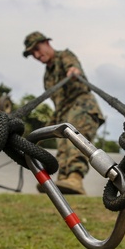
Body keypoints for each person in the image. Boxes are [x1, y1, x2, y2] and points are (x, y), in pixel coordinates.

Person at [23, 32, 105, 195]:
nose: (37, 55)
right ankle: (64, 182)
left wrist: (73, 71)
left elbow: (73, 66)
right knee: (62, 149)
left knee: (75, 144)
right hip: (64, 114)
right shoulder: (47, 76)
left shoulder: (64, 56)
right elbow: (59, 105)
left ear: (47, 43)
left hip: (82, 107)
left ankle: (75, 179)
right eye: (33, 54)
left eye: (37, 49)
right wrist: (39, 136)